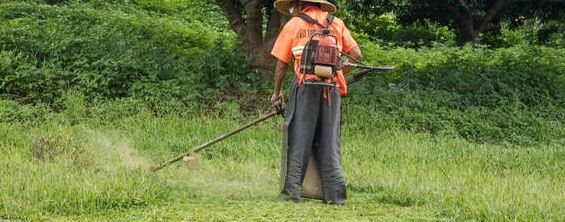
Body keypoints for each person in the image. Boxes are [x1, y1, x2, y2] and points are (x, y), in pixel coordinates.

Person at [270, 0, 361, 205]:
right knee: (330, 142)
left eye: (292, 4)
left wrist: (277, 93)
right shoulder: (335, 23)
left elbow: (281, 65)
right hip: (332, 88)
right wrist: (336, 74)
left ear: (300, 4)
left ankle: (292, 193)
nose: (291, 8)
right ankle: (336, 197)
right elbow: (356, 55)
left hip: (305, 88)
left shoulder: (294, 25)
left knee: (299, 140)